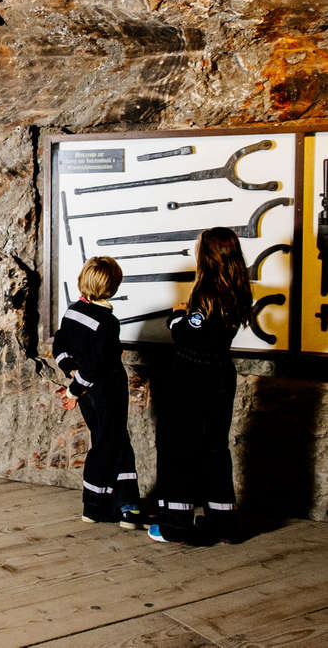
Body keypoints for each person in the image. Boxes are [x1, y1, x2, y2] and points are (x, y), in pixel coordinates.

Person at [149, 227, 252, 545]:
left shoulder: (205, 293)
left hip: (191, 377)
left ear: (206, 256)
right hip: (220, 376)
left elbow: (188, 333)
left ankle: (175, 525)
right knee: (214, 448)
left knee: (178, 446)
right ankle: (223, 523)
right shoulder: (238, 292)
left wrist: (176, 317)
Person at [52, 256, 143, 529]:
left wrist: (71, 374)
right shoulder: (107, 322)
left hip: (87, 393)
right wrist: (73, 389)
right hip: (107, 390)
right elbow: (94, 367)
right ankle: (95, 506)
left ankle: (128, 506)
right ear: (112, 287)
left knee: (115, 441)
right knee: (107, 444)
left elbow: (60, 346)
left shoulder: (72, 310)